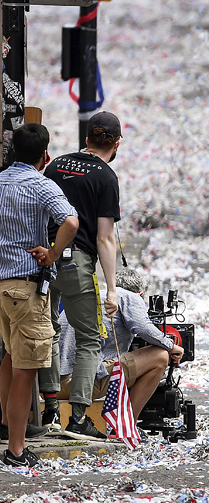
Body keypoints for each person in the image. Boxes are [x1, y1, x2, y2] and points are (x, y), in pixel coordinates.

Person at [37, 111, 124, 440]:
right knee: (90, 339)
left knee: (48, 331)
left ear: (86, 139)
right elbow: (104, 238)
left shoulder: (56, 165)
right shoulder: (106, 178)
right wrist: (112, 289)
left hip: (43, 258)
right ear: (116, 144)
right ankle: (77, 418)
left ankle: (48, 410)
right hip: (77, 263)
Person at [0, 124, 79, 467]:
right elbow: (71, 222)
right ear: (45, 156)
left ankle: (6, 426)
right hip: (26, 287)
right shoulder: (41, 185)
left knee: (9, 357)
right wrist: (51, 251)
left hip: (1, 287)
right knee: (25, 369)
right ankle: (16, 449)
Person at [58, 266, 183, 429]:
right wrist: (171, 346)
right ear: (140, 294)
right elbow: (143, 328)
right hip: (82, 384)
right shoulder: (127, 296)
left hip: (56, 384)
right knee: (160, 356)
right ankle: (127, 426)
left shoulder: (92, 297)